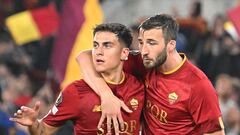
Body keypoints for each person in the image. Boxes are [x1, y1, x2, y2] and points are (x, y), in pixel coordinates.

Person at [77, 14, 225, 134]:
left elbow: (215, 132)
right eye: (141, 42)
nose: (144, 50)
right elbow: (84, 58)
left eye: (152, 43)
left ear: (171, 45)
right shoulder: (143, 62)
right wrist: (106, 96)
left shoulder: (197, 84)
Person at [10, 23, 145, 135]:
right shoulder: (75, 91)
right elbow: (43, 131)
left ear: (124, 53)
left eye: (107, 45)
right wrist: (33, 124)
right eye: (96, 45)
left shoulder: (140, 86)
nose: (98, 51)